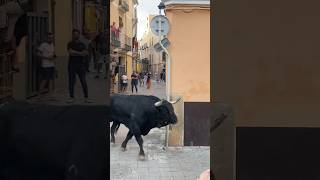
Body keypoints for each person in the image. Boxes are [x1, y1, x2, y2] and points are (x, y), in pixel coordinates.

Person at [67, 29, 91, 103]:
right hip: (72, 65)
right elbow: (70, 52)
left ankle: (86, 98)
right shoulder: (70, 43)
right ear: (72, 35)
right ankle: (71, 97)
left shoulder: (82, 44)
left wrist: (76, 53)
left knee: (83, 81)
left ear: (79, 35)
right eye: (74, 34)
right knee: (71, 82)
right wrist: (80, 53)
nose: (76, 35)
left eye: (77, 34)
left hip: (81, 65)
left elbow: (86, 53)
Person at [37, 32, 56, 100]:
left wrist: (53, 57)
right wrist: (47, 58)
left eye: (52, 37)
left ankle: (51, 95)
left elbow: (52, 53)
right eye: (50, 37)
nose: (51, 39)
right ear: (47, 38)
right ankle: (39, 95)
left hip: (52, 64)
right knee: (44, 80)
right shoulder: (43, 45)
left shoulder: (52, 45)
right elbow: (38, 54)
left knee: (51, 80)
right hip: (45, 65)